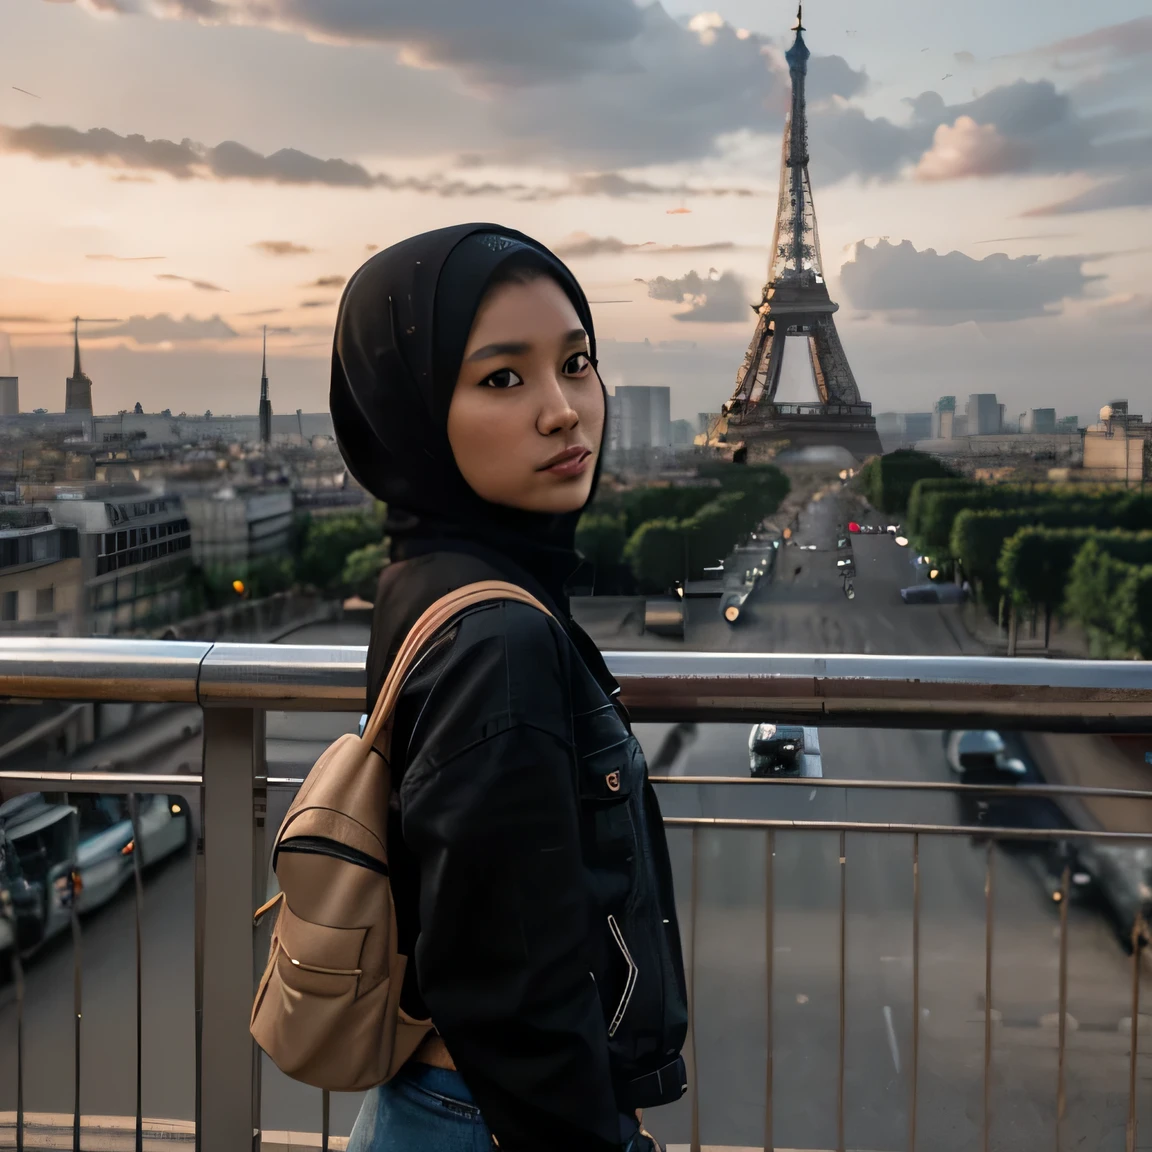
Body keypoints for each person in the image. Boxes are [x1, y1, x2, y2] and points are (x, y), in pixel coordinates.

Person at [330, 224, 687, 1152]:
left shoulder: (429, 575)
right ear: (411, 409)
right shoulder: (499, 633)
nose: (564, 409)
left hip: (445, 1105)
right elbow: (510, 985)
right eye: (502, 377)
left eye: (577, 363)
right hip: (493, 1124)